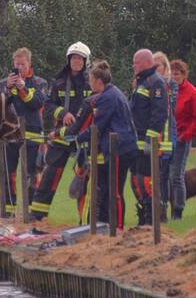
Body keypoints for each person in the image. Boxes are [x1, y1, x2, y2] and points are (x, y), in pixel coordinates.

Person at [53, 60, 138, 229]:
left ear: (98, 81)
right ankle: (107, 226)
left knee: (115, 192)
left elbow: (96, 129)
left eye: (91, 80)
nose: (89, 83)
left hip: (120, 149)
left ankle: (117, 228)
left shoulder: (106, 98)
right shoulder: (112, 93)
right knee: (109, 191)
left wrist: (77, 139)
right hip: (119, 148)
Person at [30, 42, 92, 220]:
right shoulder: (59, 81)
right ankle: (38, 214)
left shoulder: (91, 82)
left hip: (84, 136)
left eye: (80, 58)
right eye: (74, 58)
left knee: (84, 179)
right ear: (68, 59)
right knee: (50, 174)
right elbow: (48, 105)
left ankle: (86, 220)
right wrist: (63, 113)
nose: (76, 61)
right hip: (62, 135)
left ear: (86, 61)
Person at [0, 47, 48, 209]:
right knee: (8, 172)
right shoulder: (4, 83)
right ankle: (8, 209)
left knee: (33, 174)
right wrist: (7, 88)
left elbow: (37, 103)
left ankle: (32, 210)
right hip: (11, 133)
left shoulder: (40, 83)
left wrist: (23, 88)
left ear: (29, 64)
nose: (19, 67)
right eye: (17, 64)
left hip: (33, 134)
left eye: (23, 64)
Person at [128, 49, 168, 226]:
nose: (133, 66)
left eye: (135, 62)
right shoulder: (142, 82)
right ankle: (144, 216)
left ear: (145, 62)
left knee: (145, 181)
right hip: (136, 141)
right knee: (135, 180)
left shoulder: (156, 83)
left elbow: (159, 114)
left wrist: (150, 140)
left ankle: (153, 219)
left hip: (148, 142)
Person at [169, 59, 196, 219]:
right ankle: (164, 207)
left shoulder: (192, 93)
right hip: (166, 139)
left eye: (176, 74)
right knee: (165, 175)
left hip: (183, 139)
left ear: (184, 74)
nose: (173, 76)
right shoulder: (166, 90)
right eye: (171, 73)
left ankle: (178, 210)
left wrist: (185, 136)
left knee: (177, 175)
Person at [153, 52, 178, 222]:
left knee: (163, 175)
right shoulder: (148, 84)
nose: (154, 70)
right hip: (153, 137)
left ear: (165, 67)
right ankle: (152, 208)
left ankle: (163, 209)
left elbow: (169, 105)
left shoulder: (171, 85)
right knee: (152, 175)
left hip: (167, 137)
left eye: (158, 66)